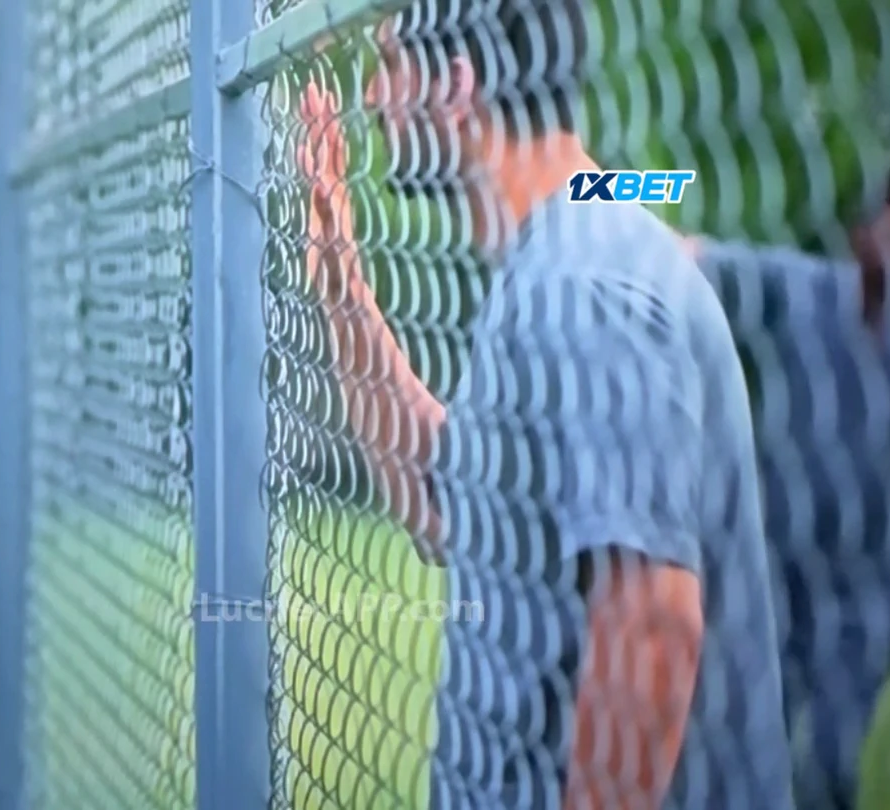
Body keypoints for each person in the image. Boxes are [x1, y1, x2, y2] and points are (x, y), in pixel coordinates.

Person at [298, 0, 793, 805]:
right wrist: (338, 278)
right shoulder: (552, 262)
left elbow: (652, 623)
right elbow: (450, 509)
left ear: (456, 85)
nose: (374, 97)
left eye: (389, 62)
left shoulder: (586, 283)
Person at [682, 172, 890, 809]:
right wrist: (602, 183)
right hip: (749, 660)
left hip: (854, 701)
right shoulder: (810, 298)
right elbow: (673, 251)